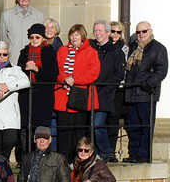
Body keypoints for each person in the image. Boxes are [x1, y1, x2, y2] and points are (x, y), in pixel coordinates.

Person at [123, 21, 168, 163]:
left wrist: (148, 84)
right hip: (131, 93)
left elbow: (161, 70)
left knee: (146, 127)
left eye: (144, 31)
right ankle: (134, 154)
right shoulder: (134, 47)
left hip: (146, 94)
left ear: (150, 31)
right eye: (138, 32)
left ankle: (143, 155)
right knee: (133, 127)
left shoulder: (158, 48)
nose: (141, 34)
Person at [55, 24, 100, 160]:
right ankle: (63, 161)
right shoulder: (62, 50)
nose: (74, 37)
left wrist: (75, 79)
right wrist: (65, 78)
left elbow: (93, 72)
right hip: (63, 95)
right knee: (64, 131)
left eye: (77, 34)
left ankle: (78, 160)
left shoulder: (91, 52)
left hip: (80, 95)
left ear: (82, 36)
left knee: (79, 132)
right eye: (72, 34)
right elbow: (57, 69)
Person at [17, 24, 59, 153]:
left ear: (42, 38)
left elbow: (53, 74)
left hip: (43, 96)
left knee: (41, 128)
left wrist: (36, 69)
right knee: (25, 128)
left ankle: (41, 154)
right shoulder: (24, 52)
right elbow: (18, 73)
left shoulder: (49, 51)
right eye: (32, 37)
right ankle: (27, 155)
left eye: (37, 37)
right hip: (27, 95)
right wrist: (26, 69)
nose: (34, 40)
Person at [90, 20, 126, 161]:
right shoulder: (91, 48)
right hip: (90, 92)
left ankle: (105, 153)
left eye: (100, 30)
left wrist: (107, 87)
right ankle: (95, 153)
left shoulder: (115, 51)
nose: (97, 33)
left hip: (105, 94)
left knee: (98, 125)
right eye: (95, 30)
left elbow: (119, 74)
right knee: (90, 126)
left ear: (107, 33)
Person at [0, 0, 45, 64]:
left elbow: (42, 41)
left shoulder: (39, 15)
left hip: (33, 60)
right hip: (13, 59)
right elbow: (3, 40)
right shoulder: (6, 15)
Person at [107, 20, 130, 162]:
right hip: (104, 89)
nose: (115, 34)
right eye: (112, 31)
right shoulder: (102, 47)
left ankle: (111, 151)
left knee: (113, 121)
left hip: (118, 89)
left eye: (118, 32)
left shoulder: (125, 49)